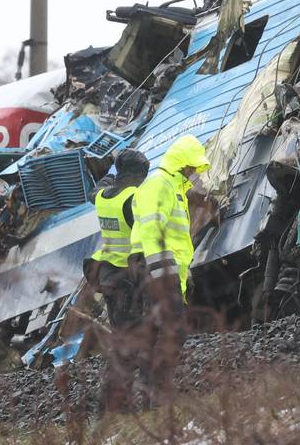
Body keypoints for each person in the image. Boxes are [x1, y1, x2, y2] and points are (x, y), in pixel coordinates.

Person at [127, 134, 209, 405]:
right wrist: (161, 271)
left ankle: (150, 392)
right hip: (156, 264)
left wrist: (181, 276)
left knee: (157, 329)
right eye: (191, 165)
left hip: (159, 265)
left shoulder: (173, 188)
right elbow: (152, 230)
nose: (193, 171)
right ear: (180, 162)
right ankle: (156, 390)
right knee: (172, 328)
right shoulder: (159, 185)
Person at [85, 148, 150, 328]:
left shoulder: (101, 197)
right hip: (128, 274)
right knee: (134, 329)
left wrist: (111, 174)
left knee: (118, 328)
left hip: (107, 274)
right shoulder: (133, 198)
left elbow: (94, 191)